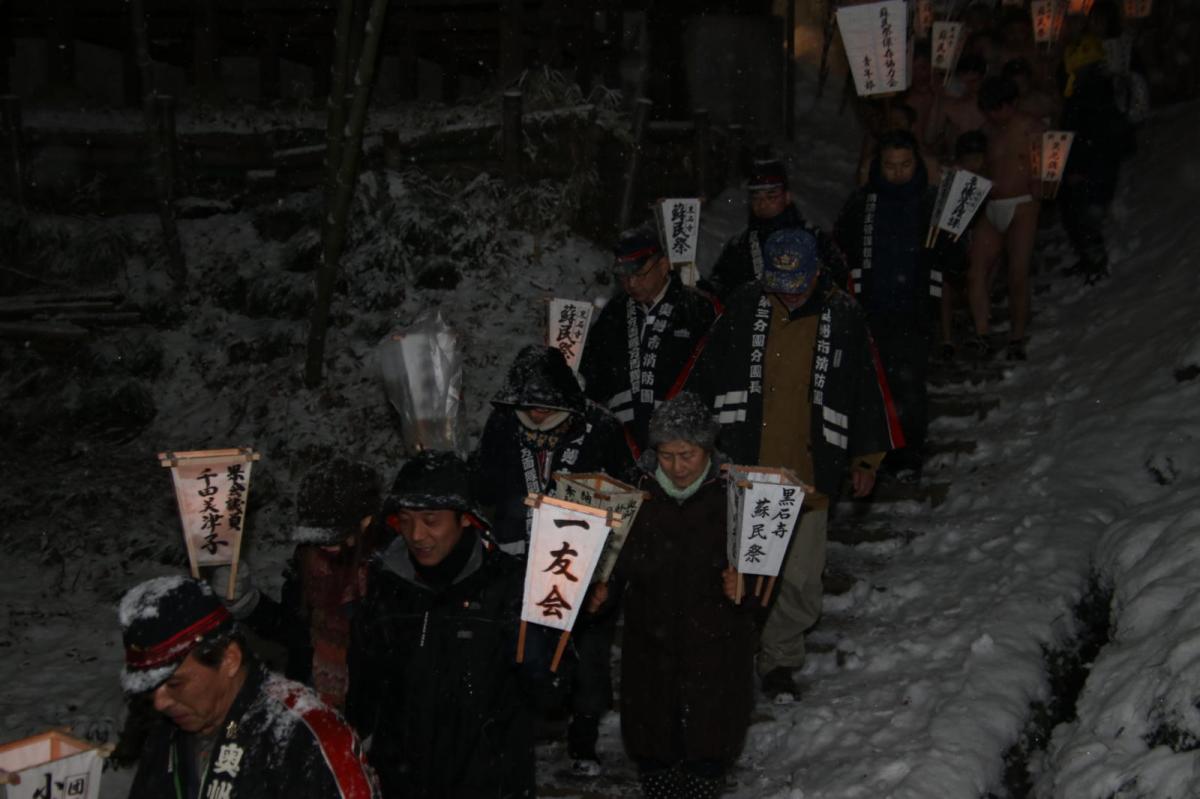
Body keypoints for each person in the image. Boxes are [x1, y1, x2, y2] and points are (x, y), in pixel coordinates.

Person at [688, 228, 900, 700]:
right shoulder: (745, 305)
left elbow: (867, 386)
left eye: (796, 282)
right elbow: (705, 369)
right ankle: (735, 654)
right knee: (738, 568)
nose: (786, 291)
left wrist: (867, 458)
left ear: (816, 272)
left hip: (809, 467)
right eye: (778, 282)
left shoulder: (843, 313)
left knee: (801, 577)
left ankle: (780, 659)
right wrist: (690, 437)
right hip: (746, 463)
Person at [346, 450, 560, 799]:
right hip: (401, 780)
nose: (416, 534)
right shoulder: (385, 585)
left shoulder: (508, 585)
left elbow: (550, 694)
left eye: (431, 520)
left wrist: (544, 636)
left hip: (488, 782)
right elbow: (364, 689)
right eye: (405, 519)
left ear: (466, 519)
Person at [470, 344, 634, 776]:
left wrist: (609, 575)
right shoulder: (504, 424)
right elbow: (482, 487)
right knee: (522, 649)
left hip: (584, 557)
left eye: (546, 405)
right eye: (529, 405)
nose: (538, 414)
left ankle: (584, 740)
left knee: (588, 652)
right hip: (519, 558)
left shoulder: (599, 427)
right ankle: (528, 726)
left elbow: (625, 496)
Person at [586, 393, 756, 799]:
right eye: (666, 455)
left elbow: (764, 567)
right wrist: (601, 595)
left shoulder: (735, 493)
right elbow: (613, 564)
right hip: (651, 634)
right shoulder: (634, 496)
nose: (677, 467)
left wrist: (746, 587)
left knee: (710, 729)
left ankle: (705, 777)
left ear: (707, 449)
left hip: (714, 638)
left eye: (687, 454)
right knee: (652, 726)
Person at [119, 575, 380, 799]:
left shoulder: (307, 735)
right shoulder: (170, 729)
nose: (160, 701)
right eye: (151, 686)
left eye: (175, 683)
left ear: (229, 659)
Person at [211, 458, 384, 711]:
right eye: (315, 534)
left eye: (332, 534)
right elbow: (293, 632)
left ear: (366, 521)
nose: (322, 545)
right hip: (310, 709)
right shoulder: (310, 563)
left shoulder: (392, 575)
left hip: (371, 721)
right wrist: (247, 603)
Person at [835, 130, 942, 477]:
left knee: (910, 384)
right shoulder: (862, 203)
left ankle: (909, 455)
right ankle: (878, 453)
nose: (897, 172)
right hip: (872, 309)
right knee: (875, 386)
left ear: (917, 164)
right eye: (890, 164)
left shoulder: (930, 203)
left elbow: (955, 259)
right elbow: (840, 250)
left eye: (905, 164)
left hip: (915, 309)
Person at [580, 225, 719, 455]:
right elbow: (593, 373)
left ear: (663, 266)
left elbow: (715, 375)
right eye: (624, 276)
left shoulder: (697, 308)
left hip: (683, 441)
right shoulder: (615, 313)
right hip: (623, 441)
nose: (631, 284)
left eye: (639, 274)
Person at [966, 75, 1045, 360]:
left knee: (1017, 275)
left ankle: (1017, 336)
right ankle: (982, 332)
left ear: (1012, 104)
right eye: (990, 110)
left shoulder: (1031, 127)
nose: (995, 115)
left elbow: (1048, 164)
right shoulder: (987, 130)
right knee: (976, 271)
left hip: (1022, 205)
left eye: (999, 108)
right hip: (991, 205)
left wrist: (1039, 180)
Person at [706, 159, 849, 300]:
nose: (763, 203)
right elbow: (719, 289)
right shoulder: (740, 244)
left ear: (787, 197)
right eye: (756, 197)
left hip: (806, 320)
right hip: (757, 320)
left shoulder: (812, 237)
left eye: (771, 196)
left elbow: (838, 281)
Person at [938, 131, 988, 358]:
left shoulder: (988, 177)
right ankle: (947, 338)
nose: (975, 163)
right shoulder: (948, 176)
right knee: (945, 282)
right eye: (970, 158)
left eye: (978, 157)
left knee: (976, 275)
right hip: (948, 234)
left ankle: (981, 332)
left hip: (975, 232)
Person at [926, 53, 989, 160]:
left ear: (983, 77)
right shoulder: (949, 104)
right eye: (963, 82)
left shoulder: (991, 105)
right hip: (956, 162)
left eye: (973, 81)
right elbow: (930, 137)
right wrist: (938, 97)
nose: (968, 86)